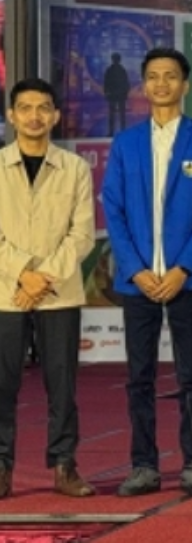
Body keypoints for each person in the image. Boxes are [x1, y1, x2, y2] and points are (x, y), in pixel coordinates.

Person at [102, 48, 192, 498]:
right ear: (142, 85)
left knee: (191, 375)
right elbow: (113, 209)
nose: (161, 83)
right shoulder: (125, 143)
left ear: (185, 84)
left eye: (170, 76)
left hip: (187, 278)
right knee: (139, 377)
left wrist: (183, 267)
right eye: (153, 76)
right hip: (137, 279)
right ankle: (144, 466)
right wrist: (135, 269)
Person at [0, 78, 96, 500]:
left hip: (60, 294)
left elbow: (82, 235)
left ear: (56, 115)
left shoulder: (74, 168)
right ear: (11, 115)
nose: (34, 116)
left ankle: (64, 466)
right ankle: (1, 467)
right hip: (5, 293)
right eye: (25, 108)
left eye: (43, 108)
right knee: (2, 386)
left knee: (62, 385)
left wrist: (42, 279)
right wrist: (24, 273)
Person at [103, 52, 131, 136]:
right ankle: (123, 130)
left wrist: (106, 92)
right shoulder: (122, 70)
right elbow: (126, 83)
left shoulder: (109, 70)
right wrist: (126, 93)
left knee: (112, 114)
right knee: (122, 114)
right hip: (121, 95)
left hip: (113, 95)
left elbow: (106, 82)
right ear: (119, 60)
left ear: (112, 59)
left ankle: (111, 132)